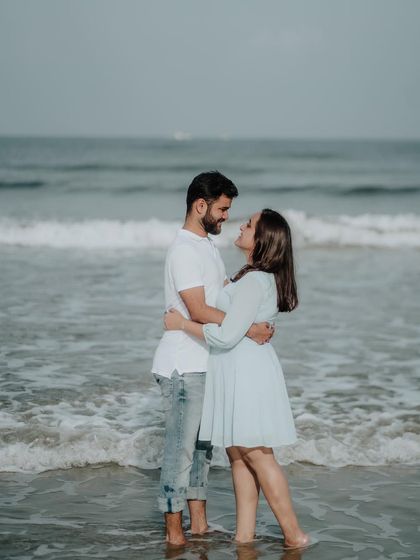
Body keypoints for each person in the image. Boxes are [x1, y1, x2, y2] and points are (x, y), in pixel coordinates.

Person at [164, 208, 310, 549]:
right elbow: (237, 326)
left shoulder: (256, 280)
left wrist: (182, 324)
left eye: (249, 224)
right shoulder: (250, 277)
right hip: (237, 370)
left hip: (246, 373)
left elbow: (227, 334)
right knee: (238, 455)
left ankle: (294, 535)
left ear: (261, 240)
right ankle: (244, 536)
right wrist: (247, 327)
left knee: (257, 454)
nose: (240, 225)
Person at [152, 172, 274, 546]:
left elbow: (224, 297)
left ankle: (199, 524)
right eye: (222, 209)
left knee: (203, 450)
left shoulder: (207, 247)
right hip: (182, 364)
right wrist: (248, 327)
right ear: (200, 205)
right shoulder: (184, 249)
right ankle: (174, 533)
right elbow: (199, 309)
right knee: (181, 450)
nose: (226, 217)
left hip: (206, 362)